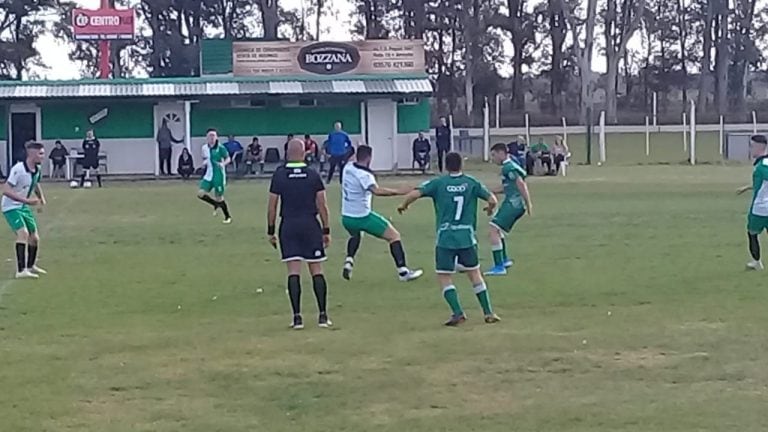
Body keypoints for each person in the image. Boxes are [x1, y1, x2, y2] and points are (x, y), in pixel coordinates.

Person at [398, 152, 501, 326]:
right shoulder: (471, 182)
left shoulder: (439, 183)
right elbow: (493, 199)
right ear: (462, 165)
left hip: (445, 237)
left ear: (445, 166)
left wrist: (404, 205)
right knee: (474, 274)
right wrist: (490, 209)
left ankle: (458, 313)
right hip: (466, 236)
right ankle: (488, 312)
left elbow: (414, 194)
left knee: (444, 276)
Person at [268, 139, 332, 329]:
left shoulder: (279, 175)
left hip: (289, 225)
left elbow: (272, 206)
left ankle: (297, 318)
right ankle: (322, 315)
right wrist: (326, 229)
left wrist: (271, 230)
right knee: (316, 270)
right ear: (305, 153)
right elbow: (322, 204)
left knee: (293, 271)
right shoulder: (313, 175)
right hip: (310, 225)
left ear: (287, 153)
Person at [341, 145, 423, 282]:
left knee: (356, 234)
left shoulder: (348, 167)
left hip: (346, 217)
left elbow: (351, 157)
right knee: (394, 236)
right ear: (369, 158)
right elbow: (377, 191)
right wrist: (399, 191)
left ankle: (349, 261)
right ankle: (403, 272)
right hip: (362, 217)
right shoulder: (365, 175)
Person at [485, 143, 533, 275]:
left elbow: (520, 184)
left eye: (494, 155)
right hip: (514, 203)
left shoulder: (508, 167)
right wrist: (489, 193)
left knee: (493, 230)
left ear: (501, 153)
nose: (492, 159)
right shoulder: (510, 165)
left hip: (513, 203)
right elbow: (507, 187)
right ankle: (504, 260)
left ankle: (499, 267)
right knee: (497, 230)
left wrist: (529, 203)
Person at [2, 141, 47, 279]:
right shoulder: (18, 169)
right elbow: (6, 190)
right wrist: (27, 201)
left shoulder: (37, 169)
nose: (43, 156)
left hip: (22, 207)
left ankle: (31, 265)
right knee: (23, 234)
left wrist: (41, 199)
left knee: (34, 237)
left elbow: (35, 183)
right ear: (32, 154)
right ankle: (20, 270)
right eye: (40, 153)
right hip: (10, 207)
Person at [738, 134, 768, 270]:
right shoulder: (764, 163)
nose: (750, 150)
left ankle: (756, 262)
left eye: (751, 147)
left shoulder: (762, 165)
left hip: (760, 208)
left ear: (759, 147)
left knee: (752, 232)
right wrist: (748, 187)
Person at [197, 128, 232, 224]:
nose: (212, 137)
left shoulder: (220, 148)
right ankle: (216, 204)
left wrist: (223, 164)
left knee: (219, 197)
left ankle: (227, 216)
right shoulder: (204, 148)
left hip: (218, 175)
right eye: (210, 135)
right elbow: (205, 158)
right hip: (209, 175)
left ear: (216, 137)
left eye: (213, 135)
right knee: (200, 194)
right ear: (207, 137)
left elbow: (228, 158)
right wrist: (204, 164)